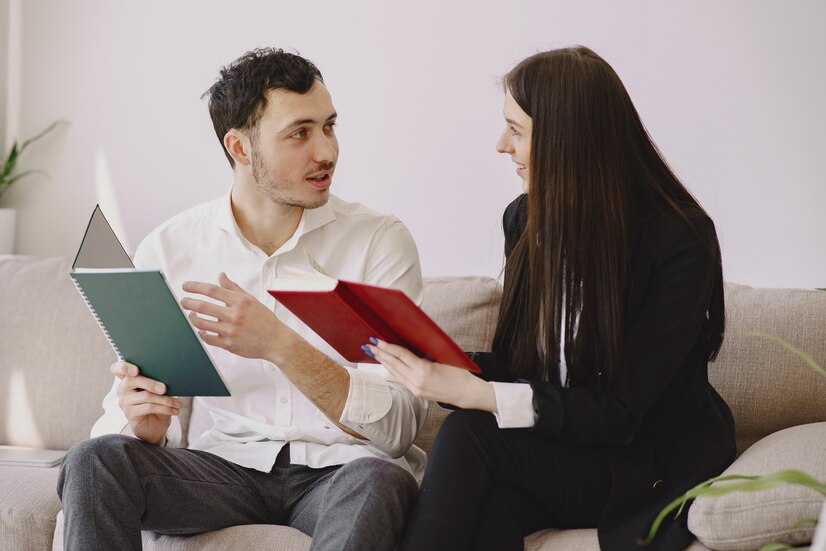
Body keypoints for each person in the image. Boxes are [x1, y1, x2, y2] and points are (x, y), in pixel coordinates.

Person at [365, 46, 736, 551]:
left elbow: (620, 413)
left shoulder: (679, 240)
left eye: (516, 130)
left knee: (470, 434)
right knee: (488, 509)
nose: (501, 145)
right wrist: (441, 363)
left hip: (642, 461)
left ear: (568, 140)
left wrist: (479, 395)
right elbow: (529, 370)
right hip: (565, 450)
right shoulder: (524, 221)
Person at [57, 48, 427, 551]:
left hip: (343, 472)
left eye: (330, 126)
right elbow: (129, 414)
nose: (327, 152)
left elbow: (400, 427)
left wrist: (280, 345)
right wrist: (144, 425)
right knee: (93, 459)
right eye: (300, 133)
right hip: (223, 471)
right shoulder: (171, 248)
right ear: (240, 147)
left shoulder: (378, 241)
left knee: (381, 483)